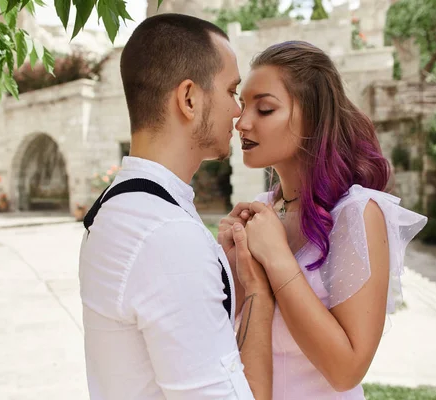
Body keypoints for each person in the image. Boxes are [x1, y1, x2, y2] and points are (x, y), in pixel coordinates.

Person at [78, 14, 275, 400]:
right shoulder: (165, 235)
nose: (238, 111)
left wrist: (225, 273)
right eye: (231, 91)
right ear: (189, 99)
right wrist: (258, 292)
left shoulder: (118, 206)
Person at [219, 41, 427, 399]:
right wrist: (230, 273)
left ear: (312, 116)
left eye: (265, 109)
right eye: (243, 105)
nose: (243, 122)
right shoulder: (259, 210)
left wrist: (278, 258)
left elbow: (346, 370)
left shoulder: (357, 213)